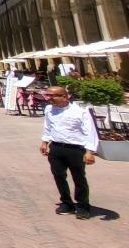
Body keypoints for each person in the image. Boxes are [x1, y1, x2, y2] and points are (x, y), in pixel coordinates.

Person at [39, 86, 98, 219]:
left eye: (52, 96)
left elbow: (90, 131)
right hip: (56, 148)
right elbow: (48, 127)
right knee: (58, 175)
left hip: (75, 150)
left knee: (79, 178)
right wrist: (44, 142)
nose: (49, 98)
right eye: (48, 95)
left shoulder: (80, 112)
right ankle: (66, 203)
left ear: (65, 97)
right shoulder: (49, 110)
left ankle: (83, 206)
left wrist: (89, 151)